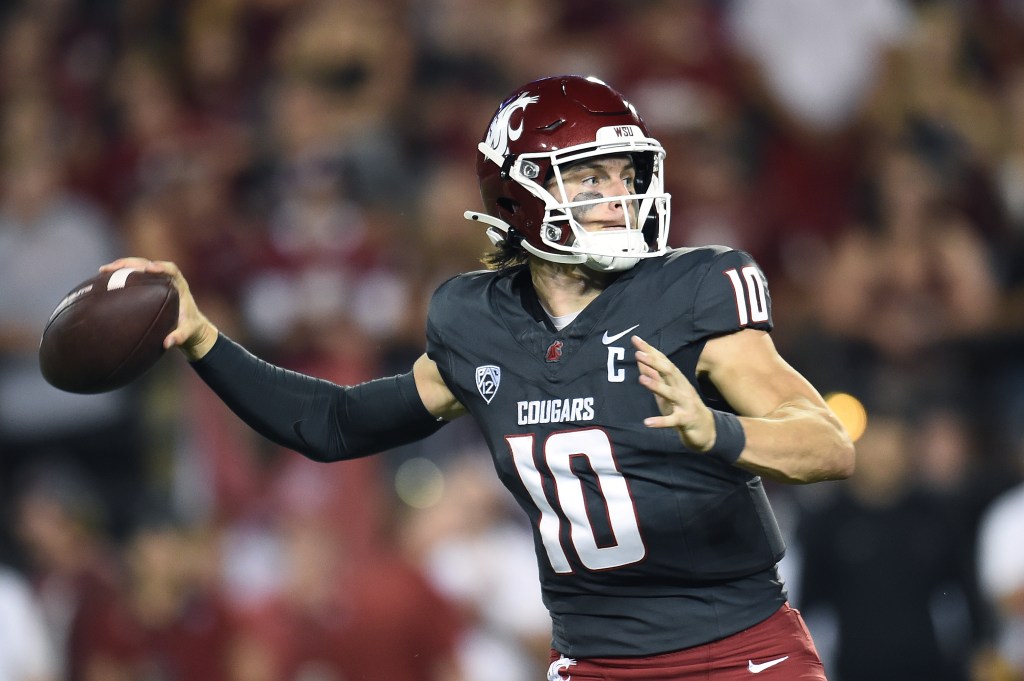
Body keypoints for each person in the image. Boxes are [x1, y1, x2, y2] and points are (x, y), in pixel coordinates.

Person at [102, 75, 855, 680]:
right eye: (589, 177)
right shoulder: (476, 322)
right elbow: (334, 423)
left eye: (625, 175)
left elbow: (827, 444)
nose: (618, 195)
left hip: (737, 652)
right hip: (594, 662)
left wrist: (718, 430)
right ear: (520, 193)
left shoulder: (692, 291)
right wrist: (203, 340)